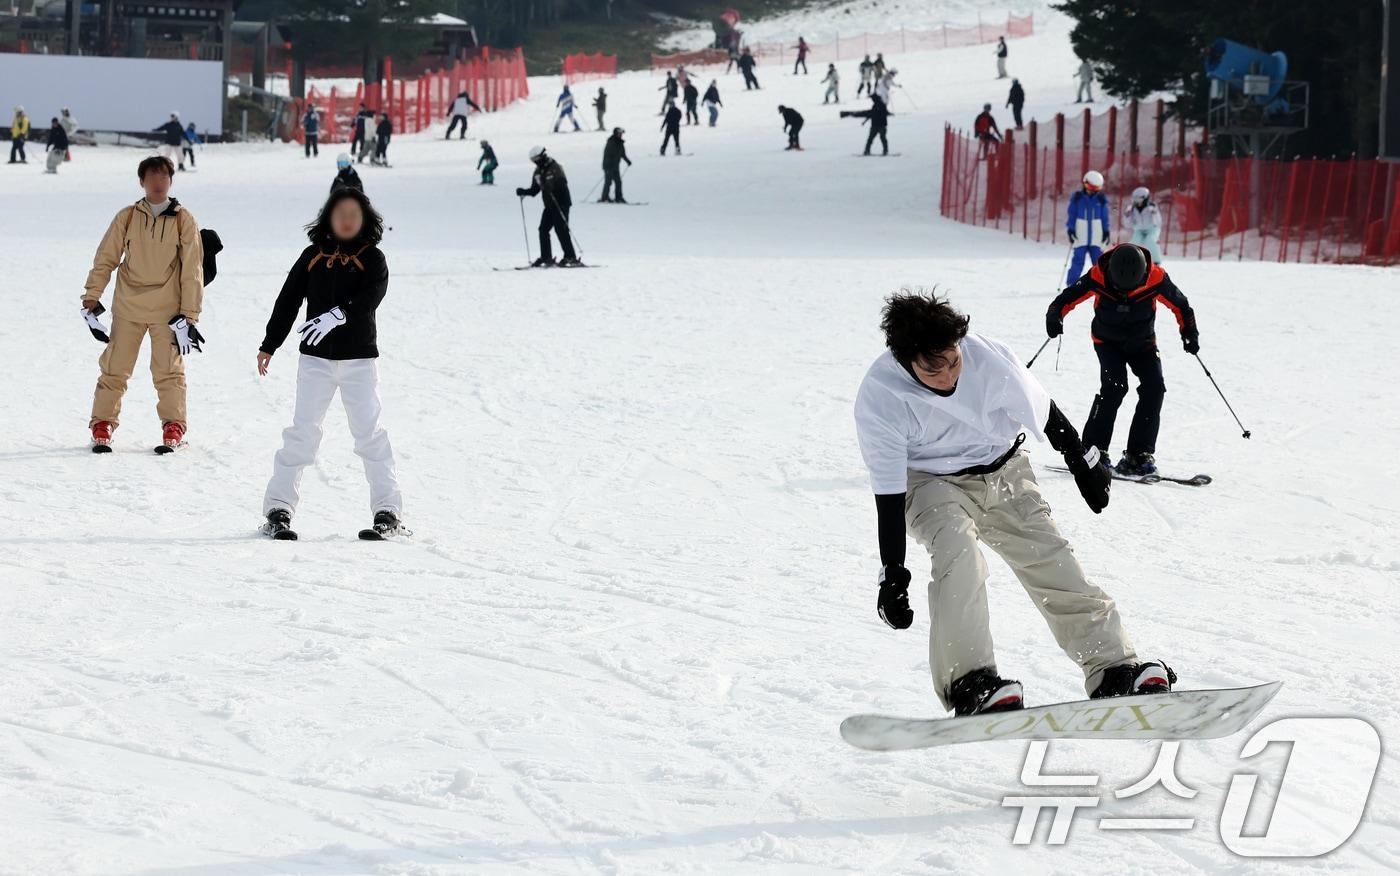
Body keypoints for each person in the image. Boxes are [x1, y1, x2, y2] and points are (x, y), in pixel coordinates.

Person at [854, 291, 1175, 716]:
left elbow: (1045, 413)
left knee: (1054, 561)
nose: (949, 375)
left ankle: (1113, 666)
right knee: (959, 557)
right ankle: (971, 681)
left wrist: (1084, 464)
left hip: (1005, 472)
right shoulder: (880, 397)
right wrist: (892, 571)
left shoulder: (987, 360)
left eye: (953, 361)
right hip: (930, 484)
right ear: (904, 359)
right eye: (934, 369)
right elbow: (889, 492)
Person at [257, 186, 404, 539]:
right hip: (315, 361)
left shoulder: (373, 259)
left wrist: (338, 314)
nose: (347, 220)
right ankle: (278, 509)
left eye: (354, 214)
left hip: (358, 361)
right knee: (302, 433)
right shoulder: (312, 256)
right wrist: (270, 343)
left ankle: (388, 512)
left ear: (365, 219)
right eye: (341, 214)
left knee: (369, 434)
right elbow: (288, 299)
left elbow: (371, 297)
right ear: (329, 218)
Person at [82, 156, 205, 451]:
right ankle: (103, 423)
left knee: (168, 371)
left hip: (169, 312)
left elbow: (192, 270)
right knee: (115, 367)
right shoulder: (127, 217)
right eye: (152, 177)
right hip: (128, 306)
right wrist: (92, 294)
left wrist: (190, 314)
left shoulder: (183, 220)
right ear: (142, 182)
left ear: (170, 182)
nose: (158, 182)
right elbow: (106, 257)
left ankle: (173, 427)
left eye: (164, 177)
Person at [1046, 244, 1198, 476]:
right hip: (1107, 342)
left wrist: (1189, 333)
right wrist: (1055, 318)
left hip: (1143, 343)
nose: (1124, 293)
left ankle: (1138, 454)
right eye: (1118, 288)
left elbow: (1182, 306)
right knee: (1115, 387)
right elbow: (1065, 299)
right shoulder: (1098, 274)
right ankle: (1094, 450)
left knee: (1155, 388)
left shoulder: (1156, 277)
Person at [515, 146, 578, 267]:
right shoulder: (538, 171)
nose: (535, 162)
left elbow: (562, 183)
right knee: (543, 230)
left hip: (561, 203)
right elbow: (535, 190)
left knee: (561, 230)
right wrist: (524, 191)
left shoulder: (555, 167)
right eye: (533, 160)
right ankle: (546, 257)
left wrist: (551, 187)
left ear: (542, 156)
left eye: (536, 159)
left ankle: (570, 256)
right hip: (549, 205)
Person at [1065, 170, 1110, 283]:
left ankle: (1104, 283)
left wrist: (1106, 231)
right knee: (1078, 260)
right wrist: (1070, 230)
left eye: (1096, 188)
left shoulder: (1101, 200)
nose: (1092, 191)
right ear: (1085, 184)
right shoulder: (1077, 198)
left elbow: (1105, 217)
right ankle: (1072, 284)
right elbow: (1072, 215)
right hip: (1081, 235)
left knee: (1099, 261)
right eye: (1090, 187)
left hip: (1096, 235)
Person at [1122, 186, 1162, 264]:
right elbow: (1128, 225)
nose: (1137, 202)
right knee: (1134, 242)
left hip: (1152, 229)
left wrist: (1154, 213)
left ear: (1145, 199)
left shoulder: (1152, 207)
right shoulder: (1132, 208)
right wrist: (1127, 215)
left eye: (1139, 199)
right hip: (1139, 230)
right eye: (1135, 200)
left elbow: (1158, 222)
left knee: (1150, 240)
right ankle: (1131, 260)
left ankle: (1156, 261)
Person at [601, 127, 631, 203]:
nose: (621, 135)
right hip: (609, 166)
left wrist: (627, 161)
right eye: (619, 133)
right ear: (615, 134)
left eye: (621, 134)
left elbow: (622, 154)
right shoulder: (611, 142)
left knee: (618, 182)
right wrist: (609, 165)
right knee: (608, 182)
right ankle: (604, 198)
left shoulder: (620, 143)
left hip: (615, 167)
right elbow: (607, 155)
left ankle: (619, 197)